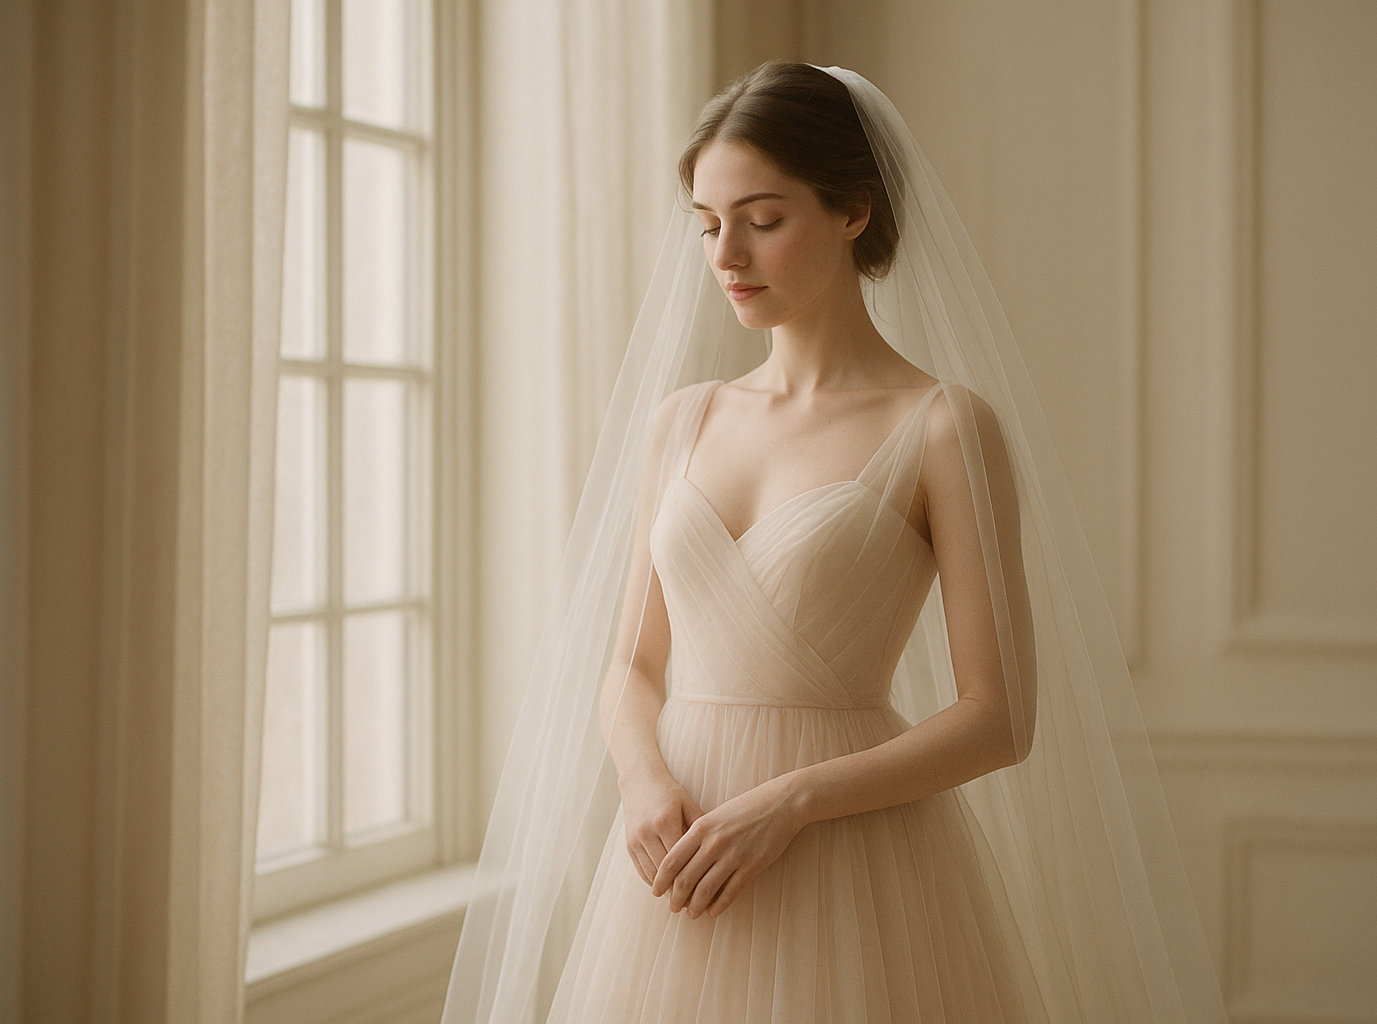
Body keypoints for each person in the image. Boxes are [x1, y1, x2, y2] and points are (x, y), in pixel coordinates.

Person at [443, 63, 1227, 1023]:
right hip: (680, 856)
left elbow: (1001, 717)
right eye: (705, 222)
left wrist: (791, 803)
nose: (726, 253)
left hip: (850, 859)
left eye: (762, 219)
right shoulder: (681, 421)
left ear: (853, 210)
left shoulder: (943, 427)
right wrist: (644, 778)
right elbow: (630, 667)